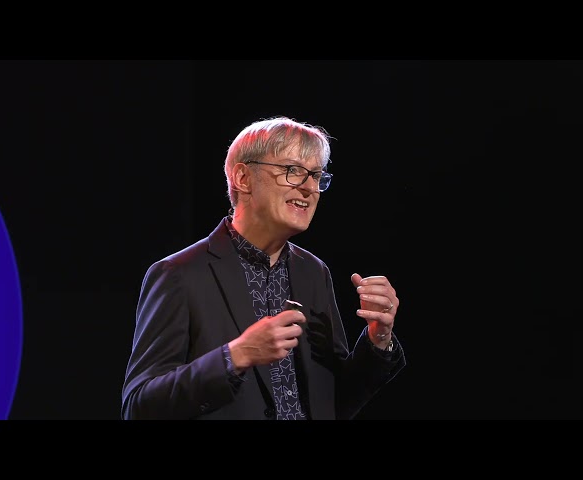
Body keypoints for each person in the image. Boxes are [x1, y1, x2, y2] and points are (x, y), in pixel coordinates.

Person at [121, 116, 406, 420]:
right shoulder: (179, 274)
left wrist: (379, 337)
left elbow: (332, 402)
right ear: (243, 178)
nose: (310, 188)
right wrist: (236, 356)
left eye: (316, 175)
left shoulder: (313, 272)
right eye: (293, 171)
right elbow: (139, 407)